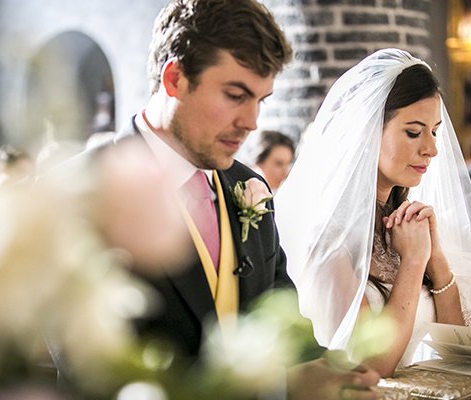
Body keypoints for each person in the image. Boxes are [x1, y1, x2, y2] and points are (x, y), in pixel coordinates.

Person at [85, 0, 380, 398]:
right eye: (236, 94)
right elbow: (98, 372)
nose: (252, 122)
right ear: (175, 79)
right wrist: (282, 387)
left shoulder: (249, 187)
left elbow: (282, 317)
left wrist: (328, 372)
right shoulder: (86, 189)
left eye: (261, 99)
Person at [276, 48, 471, 377]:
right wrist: (412, 264)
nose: (432, 149)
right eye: (414, 132)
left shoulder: (410, 226)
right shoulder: (331, 244)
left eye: (435, 131)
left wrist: (436, 262)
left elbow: (467, 356)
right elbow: (372, 367)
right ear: (368, 132)